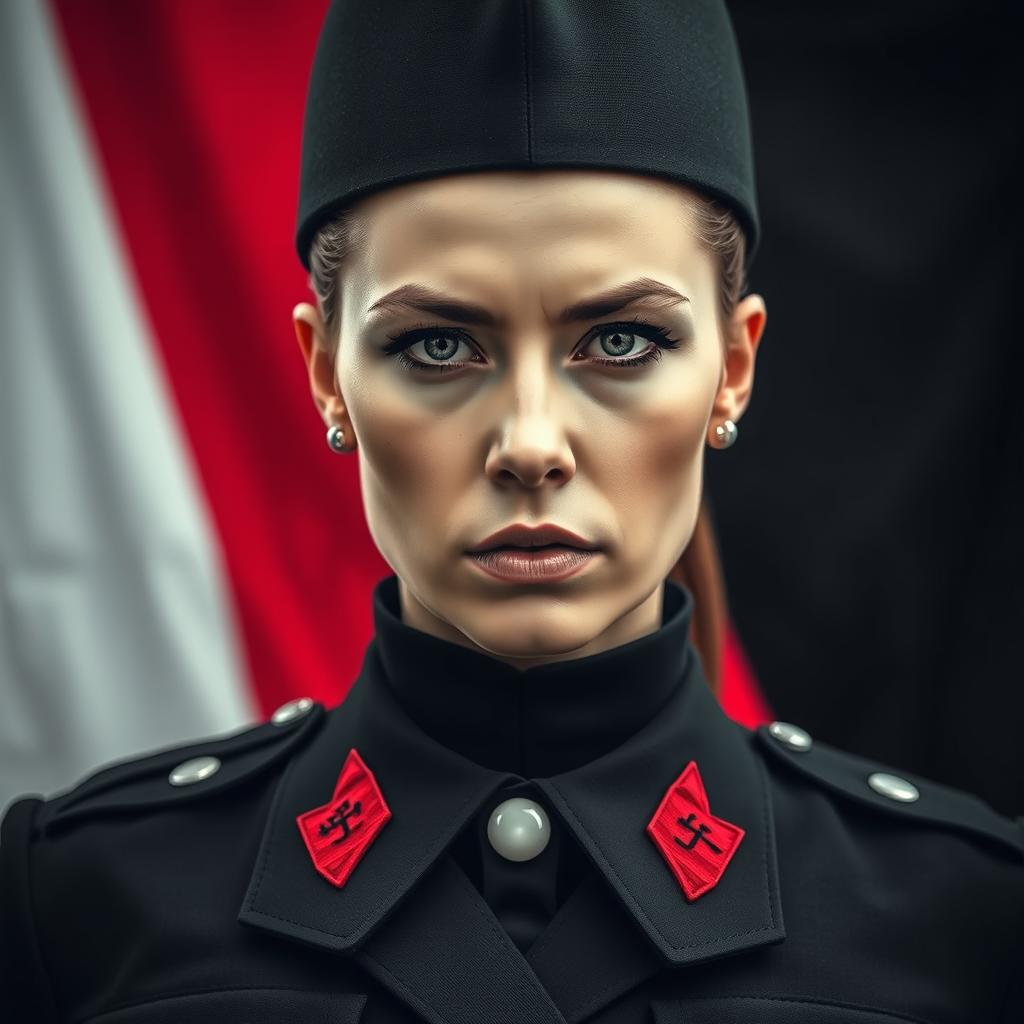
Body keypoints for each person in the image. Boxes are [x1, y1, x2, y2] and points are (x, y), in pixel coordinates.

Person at [2, 1, 1021, 1021]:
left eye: (620, 342)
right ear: (325, 376)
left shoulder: (964, 924)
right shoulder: (77, 909)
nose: (530, 444)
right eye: (438, 346)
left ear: (733, 367)